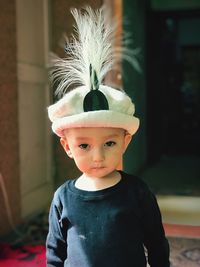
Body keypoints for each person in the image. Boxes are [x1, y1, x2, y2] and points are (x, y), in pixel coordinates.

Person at [46, 6, 170, 267]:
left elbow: (156, 242)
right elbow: (55, 253)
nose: (98, 156)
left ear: (126, 141)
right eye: (83, 145)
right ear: (67, 146)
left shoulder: (137, 193)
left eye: (110, 143)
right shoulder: (63, 198)